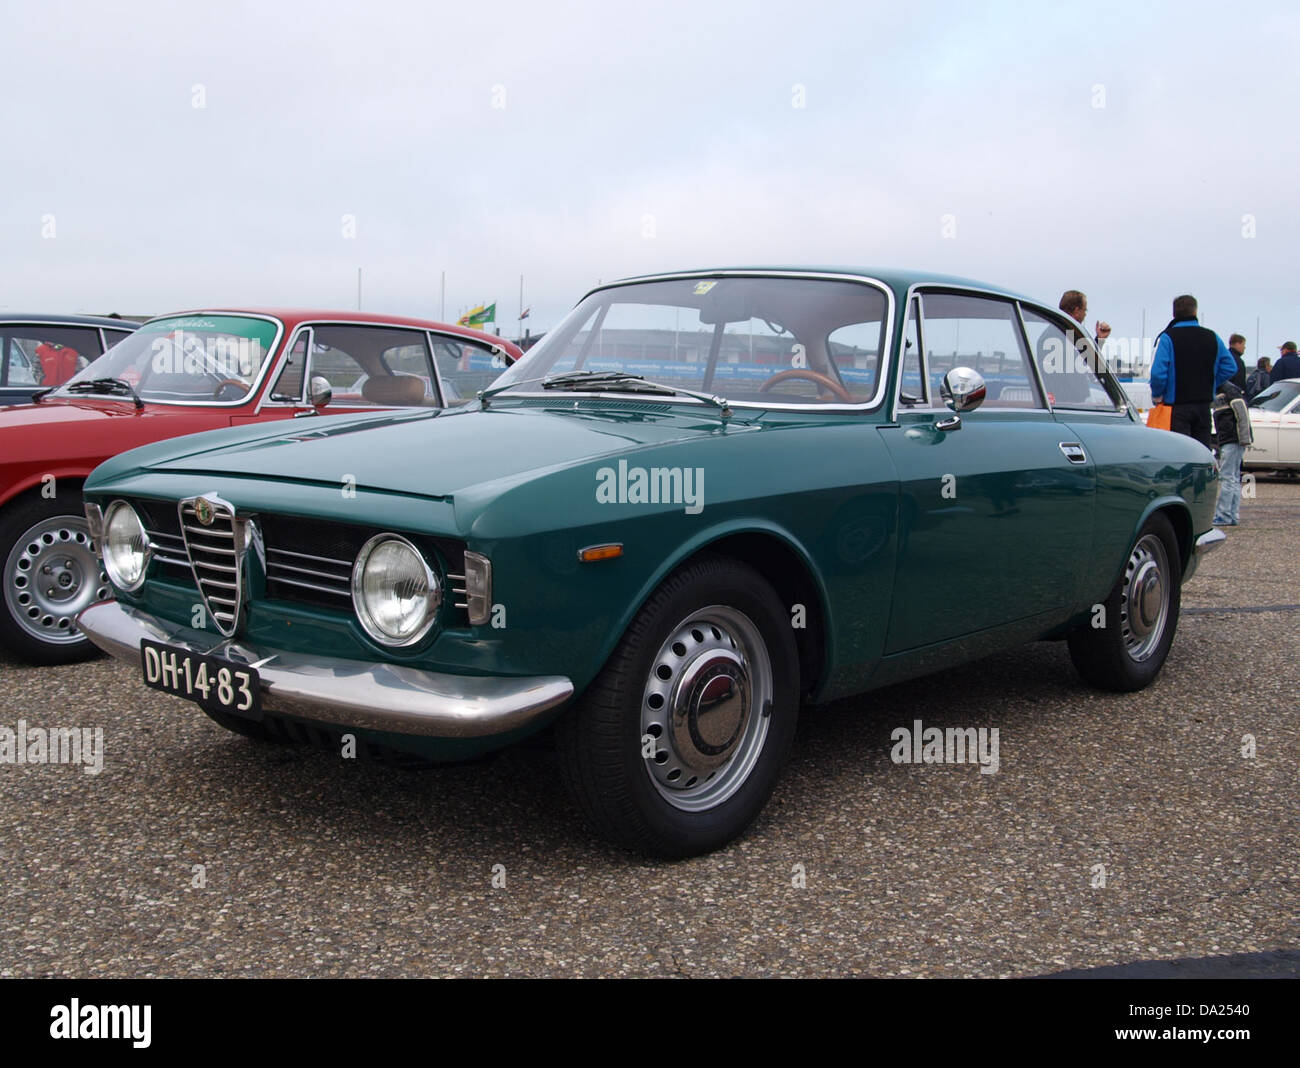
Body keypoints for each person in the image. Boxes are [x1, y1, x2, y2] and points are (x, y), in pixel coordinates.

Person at [1148, 294, 1238, 448]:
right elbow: (1230, 367)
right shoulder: (1212, 337)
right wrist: (1211, 382)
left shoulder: (1168, 337)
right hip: (1203, 407)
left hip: (1176, 407)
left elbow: (1158, 373)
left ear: (1174, 313)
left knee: (1178, 453)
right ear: (1195, 312)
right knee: (1201, 452)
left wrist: (1158, 395)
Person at [1212, 377, 1252, 526]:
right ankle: (1232, 515)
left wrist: (1244, 437)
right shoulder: (1228, 390)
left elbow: (1241, 413)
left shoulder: (1226, 390)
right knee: (1233, 477)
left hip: (1231, 438)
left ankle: (1223, 515)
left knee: (1227, 476)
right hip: (1233, 439)